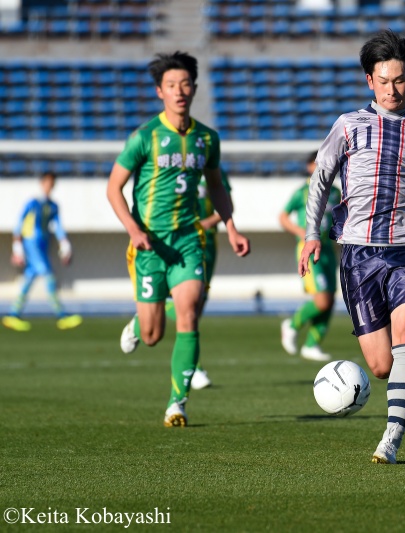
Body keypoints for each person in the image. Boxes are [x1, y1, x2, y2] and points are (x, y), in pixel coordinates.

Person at [299, 30, 405, 464]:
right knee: (381, 366)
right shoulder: (347, 125)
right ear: (370, 80)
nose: (392, 89)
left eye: (400, 80)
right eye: (384, 80)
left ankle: (391, 437)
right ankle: (382, 396)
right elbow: (321, 179)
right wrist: (312, 233)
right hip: (357, 252)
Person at [107, 51, 250, 427]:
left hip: (189, 240)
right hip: (149, 244)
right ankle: (140, 324)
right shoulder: (145, 137)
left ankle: (177, 403)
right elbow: (113, 188)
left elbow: (217, 188)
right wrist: (134, 229)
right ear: (160, 92)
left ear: (195, 88)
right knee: (154, 335)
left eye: (185, 84)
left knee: (189, 314)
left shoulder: (207, 138)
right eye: (172, 85)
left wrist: (231, 227)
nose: (180, 91)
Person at [118, 167, 234, 391]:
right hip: (175, 242)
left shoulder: (212, 168)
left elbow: (226, 206)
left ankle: (188, 375)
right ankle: (192, 365)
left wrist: (208, 224)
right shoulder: (168, 167)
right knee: (186, 310)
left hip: (205, 244)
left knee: (194, 308)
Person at [279, 151, 341, 362]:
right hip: (309, 250)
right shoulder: (302, 192)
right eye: (318, 164)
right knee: (322, 300)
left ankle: (312, 344)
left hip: (328, 250)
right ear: (309, 167)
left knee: (330, 300)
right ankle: (292, 324)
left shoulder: (335, 192)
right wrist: (300, 233)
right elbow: (283, 216)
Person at [3, 171, 82, 332]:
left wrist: (64, 244)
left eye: (52, 183)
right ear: (42, 183)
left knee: (29, 277)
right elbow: (19, 225)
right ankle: (61, 315)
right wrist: (17, 247)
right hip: (31, 243)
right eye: (47, 182)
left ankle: (13, 314)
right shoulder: (32, 203)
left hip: (43, 244)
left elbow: (58, 227)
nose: (49, 186)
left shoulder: (53, 206)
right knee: (48, 274)